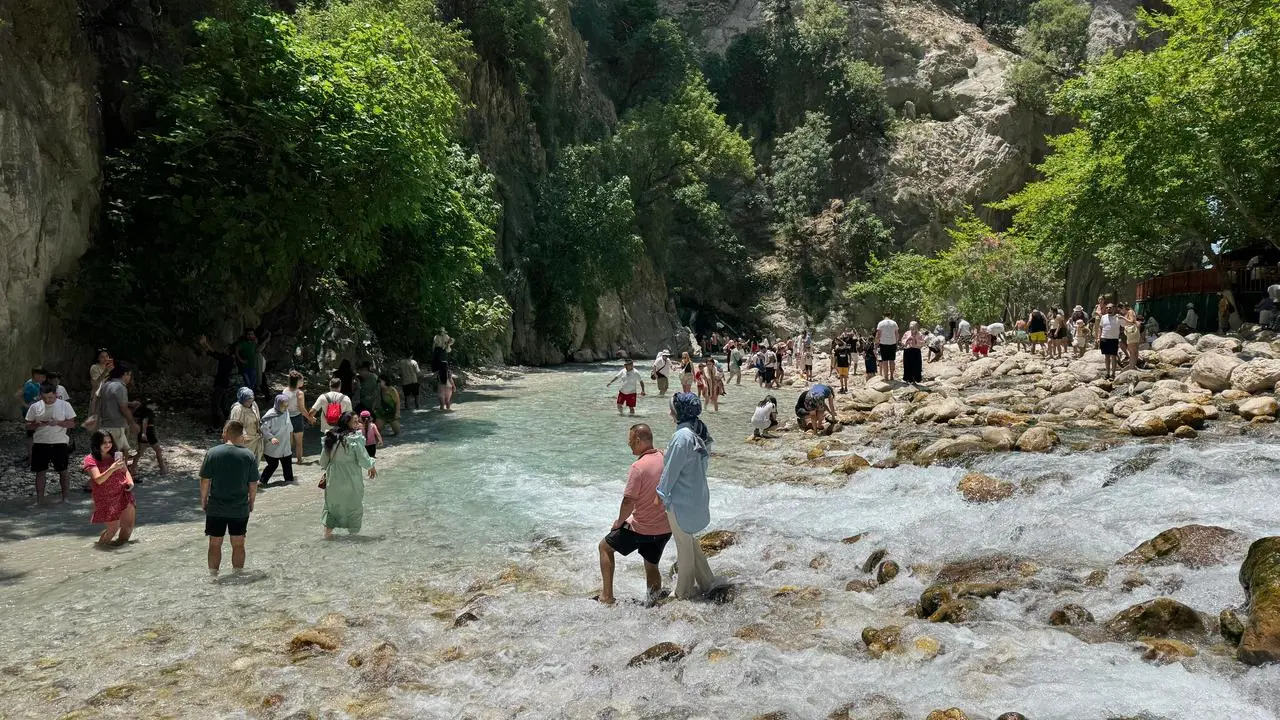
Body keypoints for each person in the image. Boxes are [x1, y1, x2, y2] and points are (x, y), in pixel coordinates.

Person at [596, 424, 671, 605]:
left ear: (638, 440)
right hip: (665, 528)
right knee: (651, 564)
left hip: (642, 529)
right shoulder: (665, 457)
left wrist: (619, 522)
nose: (628, 443)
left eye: (630, 440)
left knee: (604, 547)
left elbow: (628, 501)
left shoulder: (638, 467)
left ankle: (607, 597)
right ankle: (653, 602)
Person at [657, 394, 716, 599]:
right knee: (688, 540)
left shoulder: (681, 436)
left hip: (681, 499)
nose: (669, 411)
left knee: (683, 545)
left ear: (678, 412)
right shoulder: (697, 430)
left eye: (671, 408)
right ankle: (707, 581)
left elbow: (671, 471)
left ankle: (684, 590)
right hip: (696, 494)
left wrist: (661, 495)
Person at [200, 421, 258, 575]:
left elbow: (205, 480)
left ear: (226, 432)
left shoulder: (213, 453)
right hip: (239, 508)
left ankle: (213, 576)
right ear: (241, 434)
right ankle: (238, 575)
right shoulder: (249, 455)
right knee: (238, 543)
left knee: (215, 543)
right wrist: (251, 502)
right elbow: (253, 483)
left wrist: (203, 501)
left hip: (216, 507)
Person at [319, 411, 377, 538]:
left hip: (333, 479)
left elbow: (323, 462)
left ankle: (327, 537)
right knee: (354, 507)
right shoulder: (354, 438)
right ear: (347, 423)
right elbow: (363, 459)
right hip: (351, 478)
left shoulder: (330, 437)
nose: (358, 423)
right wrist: (371, 466)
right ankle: (353, 540)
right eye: (355, 421)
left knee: (332, 507)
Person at [84, 429, 136, 545]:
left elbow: (125, 470)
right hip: (105, 497)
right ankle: (99, 550)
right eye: (104, 443)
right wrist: (112, 468)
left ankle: (120, 548)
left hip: (123, 492)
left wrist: (130, 482)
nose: (108, 445)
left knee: (128, 526)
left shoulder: (116, 455)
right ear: (97, 444)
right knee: (113, 529)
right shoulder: (90, 459)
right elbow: (98, 479)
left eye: (110, 442)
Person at [27, 383, 76, 504]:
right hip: (40, 442)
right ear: (40, 395)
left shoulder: (65, 405)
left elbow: (72, 424)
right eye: (44, 398)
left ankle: (65, 499)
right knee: (40, 472)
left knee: (63, 470)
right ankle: (39, 501)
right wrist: (37, 424)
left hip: (59, 442)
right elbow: (28, 426)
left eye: (50, 397)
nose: (47, 400)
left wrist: (58, 422)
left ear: (56, 395)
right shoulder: (35, 406)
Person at [98, 366, 139, 470]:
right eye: (129, 375)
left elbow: (111, 402)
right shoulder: (120, 387)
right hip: (116, 425)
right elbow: (123, 408)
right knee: (118, 452)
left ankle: (122, 474)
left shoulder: (106, 385)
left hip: (105, 423)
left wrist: (130, 403)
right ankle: (117, 474)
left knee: (123, 450)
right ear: (125, 374)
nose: (130, 377)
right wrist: (132, 423)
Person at [199, 336, 236, 430]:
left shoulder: (225, 358)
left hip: (221, 384)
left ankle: (216, 425)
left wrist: (204, 343)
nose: (224, 349)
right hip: (225, 383)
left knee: (215, 404)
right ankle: (228, 423)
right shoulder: (229, 359)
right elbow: (213, 353)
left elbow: (213, 353)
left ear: (229, 351)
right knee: (223, 405)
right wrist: (205, 344)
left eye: (226, 348)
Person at [259, 394, 294, 486]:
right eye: (284, 406)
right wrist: (271, 438)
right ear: (278, 404)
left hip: (285, 444)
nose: (286, 408)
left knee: (287, 464)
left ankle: (289, 483)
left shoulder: (286, 412)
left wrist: (291, 439)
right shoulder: (270, 415)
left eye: (287, 406)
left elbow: (289, 426)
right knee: (273, 465)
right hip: (273, 446)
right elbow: (263, 429)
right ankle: (262, 481)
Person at [131, 397, 167, 475]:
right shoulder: (148, 411)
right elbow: (145, 422)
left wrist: (142, 433)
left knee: (140, 453)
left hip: (143, 433)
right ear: (154, 404)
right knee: (158, 450)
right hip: (149, 434)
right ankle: (163, 469)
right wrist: (144, 433)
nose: (156, 408)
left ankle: (132, 469)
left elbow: (139, 420)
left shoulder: (141, 409)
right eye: (157, 407)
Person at [228, 387, 263, 462]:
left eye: (251, 400)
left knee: (254, 462)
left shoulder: (254, 404)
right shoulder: (237, 409)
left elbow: (258, 418)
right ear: (242, 399)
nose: (250, 402)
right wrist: (243, 435)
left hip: (256, 439)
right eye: (247, 401)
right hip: (244, 441)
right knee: (245, 461)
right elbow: (235, 425)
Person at [286, 371, 313, 464]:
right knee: (298, 442)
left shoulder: (285, 391)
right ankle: (299, 460)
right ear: (297, 381)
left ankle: (287, 460)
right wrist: (310, 418)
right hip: (297, 418)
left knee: (289, 441)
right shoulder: (299, 393)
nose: (303, 382)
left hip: (287, 418)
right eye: (302, 380)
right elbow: (302, 409)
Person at [1097, 303, 1125, 380]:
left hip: (1114, 339)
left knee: (1113, 357)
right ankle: (1107, 373)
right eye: (1107, 308)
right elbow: (1100, 328)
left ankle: (1113, 374)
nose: (1108, 309)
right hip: (1104, 338)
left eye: (1110, 307)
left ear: (1114, 308)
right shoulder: (1103, 317)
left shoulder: (1118, 317)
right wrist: (1098, 337)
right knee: (1106, 357)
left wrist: (1120, 334)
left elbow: (1124, 326)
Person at [875, 312, 899, 381]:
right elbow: (897, 334)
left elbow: (878, 334)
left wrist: (877, 342)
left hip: (883, 344)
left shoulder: (880, 323)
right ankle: (891, 376)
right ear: (890, 316)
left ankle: (886, 377)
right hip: (892, 343)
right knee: (892, 360)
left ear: (883, 316)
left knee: (885, 361)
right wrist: (896, 342)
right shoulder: (894, 323)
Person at [1124, 304, 1142, 370]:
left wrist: (1123, 318)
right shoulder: (1130, 312)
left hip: (1133, 334)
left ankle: (1132, 367)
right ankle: (1132, 366)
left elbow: (1131, 321)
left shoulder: (1130, 312)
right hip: (1131, 334)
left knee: (1133, 352)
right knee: (1133, 351)